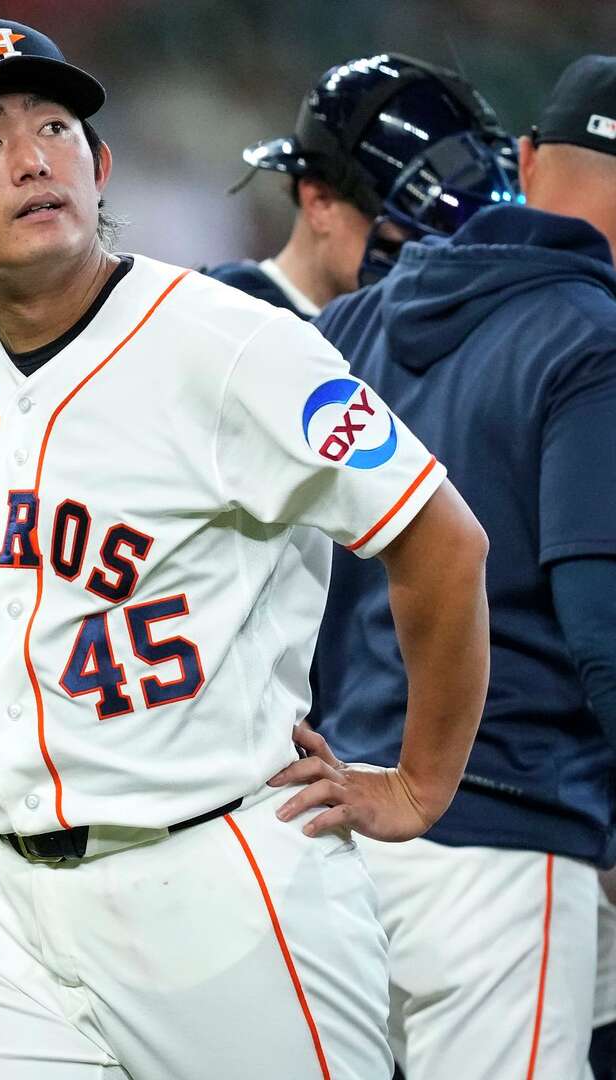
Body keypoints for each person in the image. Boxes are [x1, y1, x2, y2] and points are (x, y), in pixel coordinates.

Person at [0, 18, 490, 1079]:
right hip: (20, 920)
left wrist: (421, 784)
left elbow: (442, 539)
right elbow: (12, 666)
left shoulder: (228, 344)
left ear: (98, 168)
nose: (34, 156)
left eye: (54, 126)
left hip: (221, 891)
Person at [306, 54, 616, 1080]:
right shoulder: (595, 341)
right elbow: (601, 617)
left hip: (330, 834)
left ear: (524, 161)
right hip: (507, 834)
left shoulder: (345, 327)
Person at [205, 53, 520, 317]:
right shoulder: (219, 321)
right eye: (401, 244)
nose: (426, 264)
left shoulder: (431, 338)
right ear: (320, 202)